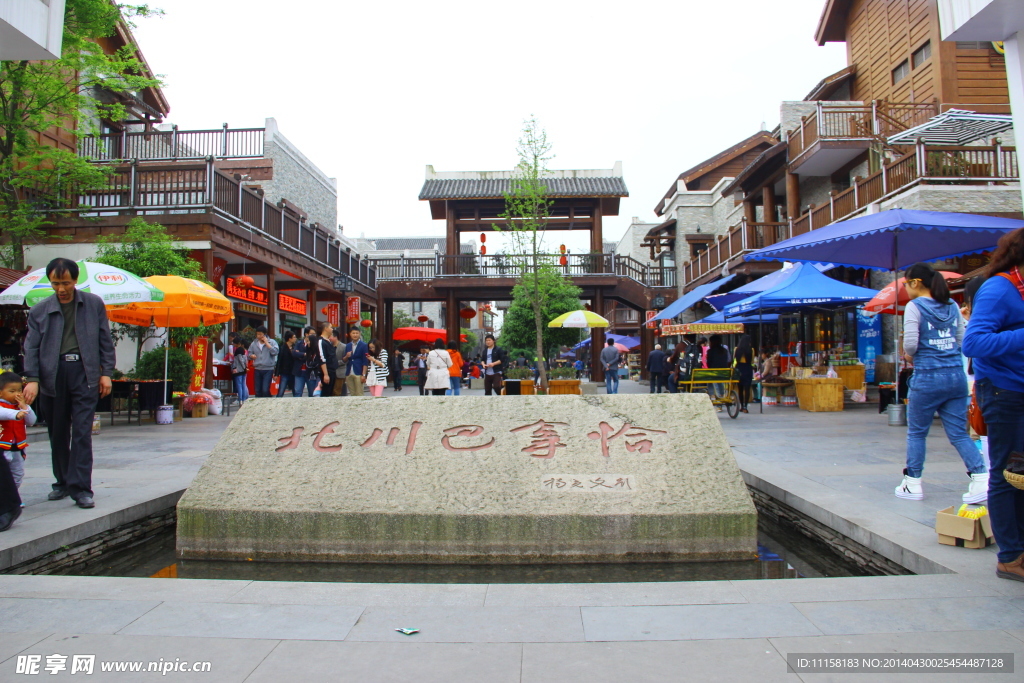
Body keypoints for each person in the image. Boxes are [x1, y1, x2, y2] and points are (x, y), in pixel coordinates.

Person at [23, 257, 115, 509]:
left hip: (84, 373)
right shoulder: (39, 310)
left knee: (83, 432)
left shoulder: (93, 304)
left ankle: (82, 488)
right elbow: (31, 347)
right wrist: (32, 379)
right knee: (58, 431)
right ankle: (62, 482)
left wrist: (106, 372)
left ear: (75, 281)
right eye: (55, 284)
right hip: (52, 374)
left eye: (65, 283)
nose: (61, 289)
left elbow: (104, 339)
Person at [896, 262, 987, 504]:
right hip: (955, 377)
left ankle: (912, 483)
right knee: (959, 434)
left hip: (927, 377)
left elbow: (912, 346)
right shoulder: (951, 305)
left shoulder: (914, 307)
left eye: (906, 283)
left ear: (916, 283)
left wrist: (908, 354)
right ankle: (980, 477)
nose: (906, 288)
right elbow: (961, 341)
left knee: (917, 433)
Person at [962, 228, 1024, 581]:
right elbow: (975, 343)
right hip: (1003, 391)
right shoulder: (1000, 288)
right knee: (1006, 473)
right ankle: (1010, 556)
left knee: (1022, 474)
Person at [0, 371, 36, 494]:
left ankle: (11, 497)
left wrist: (25, 407)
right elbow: (3, 413)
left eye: (19, 390)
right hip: (3, 447)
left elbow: (31, 421)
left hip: (18, 447)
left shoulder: (20, 406)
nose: (17, 394)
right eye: (12, 391)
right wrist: (16, 414)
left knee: (17, 474)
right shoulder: (2, 406)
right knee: (3, 474)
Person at [248, 326, 279, 398]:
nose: (258, 336)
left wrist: (267, 343)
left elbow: (275, 352)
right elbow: (249, 353)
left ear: (265, 334)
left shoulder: (272, 342)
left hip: (268, 369)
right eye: (257, 334)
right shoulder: (254, 343)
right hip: (258, 368)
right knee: (258, 390)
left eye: (260, 334)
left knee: (265, 389)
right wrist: (251, 356)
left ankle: (268, 402)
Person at [309, 321, 337, 397]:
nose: (332, 329)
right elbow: (322, 358)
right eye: (331, 327)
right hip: (327, 371)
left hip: (332, 370)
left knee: (331, 392)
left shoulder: (329, 341)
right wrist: (325, 374)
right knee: (326, 393)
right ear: (325, 328)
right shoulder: (321, 341)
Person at [340, 328, 370, 397]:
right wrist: (347, 356)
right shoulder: (348, 345)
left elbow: (365, 361)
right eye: (353, 333)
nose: (355, 335)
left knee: (359, 394)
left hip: (359, 372)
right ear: (350, 334)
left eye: (357, 333)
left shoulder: (364, 345)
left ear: (359, 334)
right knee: (352, 394)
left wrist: (364, 375)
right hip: (349, 372)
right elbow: (344, 360)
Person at [291, 327, 317, 397]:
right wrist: (304, 354)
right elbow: (294, 354)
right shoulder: (299, 343)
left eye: (314, 334)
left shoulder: (315, 344)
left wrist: (301, 355)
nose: (313, 335)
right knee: (297, 392)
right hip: (299, 371)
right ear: (306, 334)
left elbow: (312, 357)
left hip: (310, 373)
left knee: (312, 393)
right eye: (312, 334)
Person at [733, 334, 755, 413]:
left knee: (740, 388)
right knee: (747, 388)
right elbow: (752, 361)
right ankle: (745, 406)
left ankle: (741, 406)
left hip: (739, 368)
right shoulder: (751, 350)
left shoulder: (737, 349)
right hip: (748, 368)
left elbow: (734, 360)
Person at [706, 334, 731, 401]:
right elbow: (729, 360)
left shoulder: (710, 351)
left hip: (714, 372)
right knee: (719, 379)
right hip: (724, 372)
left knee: (709, 379)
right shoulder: (724, 350)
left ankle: (712, 394)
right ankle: (721, 394)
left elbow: (708, 363)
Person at [274, 331, 296, 397]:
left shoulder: (295, 347)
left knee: (295, 391)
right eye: (294, 337)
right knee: (281, 391)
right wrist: (276, 374)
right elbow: (279, 361)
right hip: (285, 372)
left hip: (293, 372)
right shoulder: (283, 348)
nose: (295, 339)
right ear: (289, 339)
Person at [230, 336, 250, 404]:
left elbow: (240, 360)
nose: (233, 344)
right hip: (243, 370)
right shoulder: (243, 350)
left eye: (234, 343)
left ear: (237, 343)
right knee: (243, 384)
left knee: (239, 385)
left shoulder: (238, 350)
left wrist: (243, 367)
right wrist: (245, 367)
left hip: (238, 370)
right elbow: (245, 360)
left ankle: (240, 399)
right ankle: (244, 398)